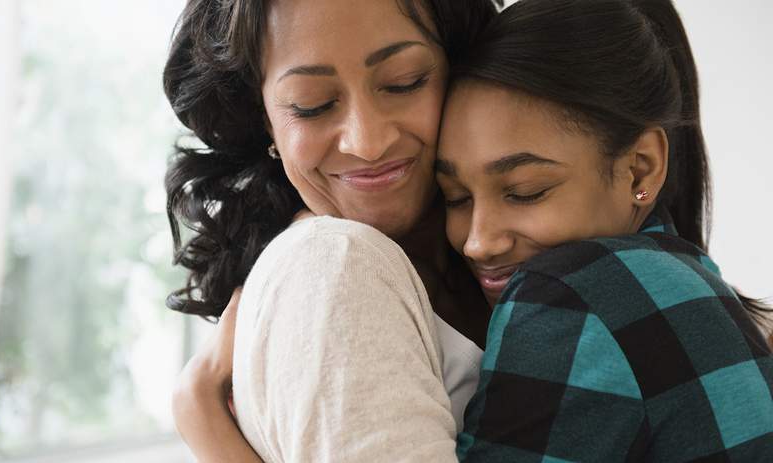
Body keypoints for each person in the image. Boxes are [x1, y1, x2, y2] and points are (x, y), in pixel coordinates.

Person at [168, 0, 773, 461]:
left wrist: (209, 429)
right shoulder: (336, 265)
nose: (369, 140)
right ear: (266, 120)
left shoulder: (571, 287)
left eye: (404, 81)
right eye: (312, 104)